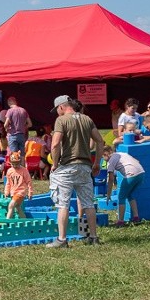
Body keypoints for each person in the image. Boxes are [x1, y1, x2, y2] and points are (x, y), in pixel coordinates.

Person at [46, 95, 105, 248]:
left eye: (57, 110)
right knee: (88, 203)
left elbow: (56, 143)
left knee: (63, 204)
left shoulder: (61, 120)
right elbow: (100, 141)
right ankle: (93, 237)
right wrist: (97, 162)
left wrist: (54, 163)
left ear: (61, 107)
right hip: (85, 166)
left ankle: (62, 239)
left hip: (67, 166)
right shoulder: (87, 119)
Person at [102, 145, 144, 227]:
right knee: (129, 194)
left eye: (102, 156)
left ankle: (120, 221)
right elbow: (137, 161)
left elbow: (111, 179)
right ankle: (136, 217)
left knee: (121, 197)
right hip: (141, 173)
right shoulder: (122, 154)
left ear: (106, 154)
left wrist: (109, 194)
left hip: (131, 174)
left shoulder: (110, 162)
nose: (103, 159)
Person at [4, 151, 33, 220]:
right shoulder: (9, 171)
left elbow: (29, 182)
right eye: (13, 164)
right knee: (17, 208)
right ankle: (25, 221)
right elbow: (8, 183)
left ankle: (6, 222)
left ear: (20, 162)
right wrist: (6, 191)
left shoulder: (24, 170)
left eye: (16, 164)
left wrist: (30, 192)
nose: (15, 166)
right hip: (13, 192)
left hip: (21, 192)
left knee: (11, 206)